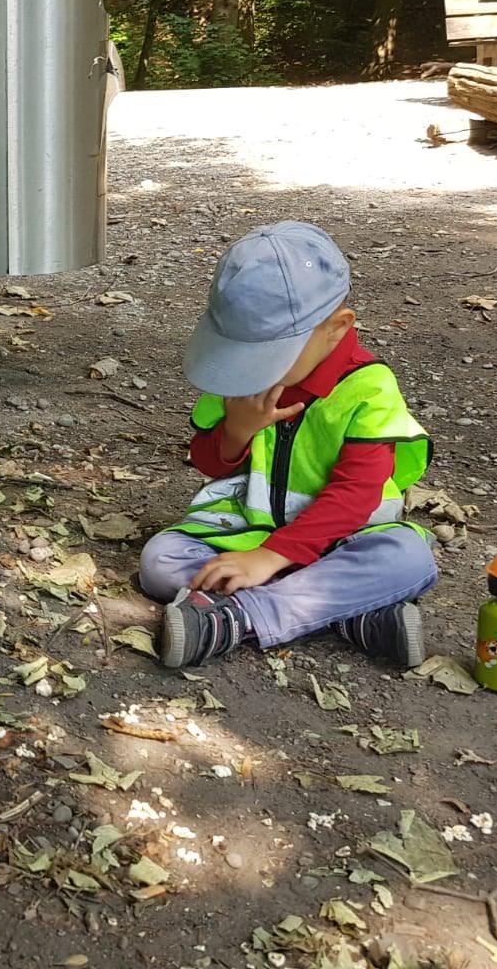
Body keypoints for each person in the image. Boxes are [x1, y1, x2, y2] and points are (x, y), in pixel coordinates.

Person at [140, 221, 437, 670]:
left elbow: (355, 496)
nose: (255, 370)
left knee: (409, 559)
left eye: (270, 355)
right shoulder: (239, 382)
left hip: (345, 540)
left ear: (337, 328)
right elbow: (207, 461)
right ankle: (347, 614)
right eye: (244, 354)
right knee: (159, 562)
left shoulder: (369, 389)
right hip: (246, 530)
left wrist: (271, 557)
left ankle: (238, 619)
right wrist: (237, 429)